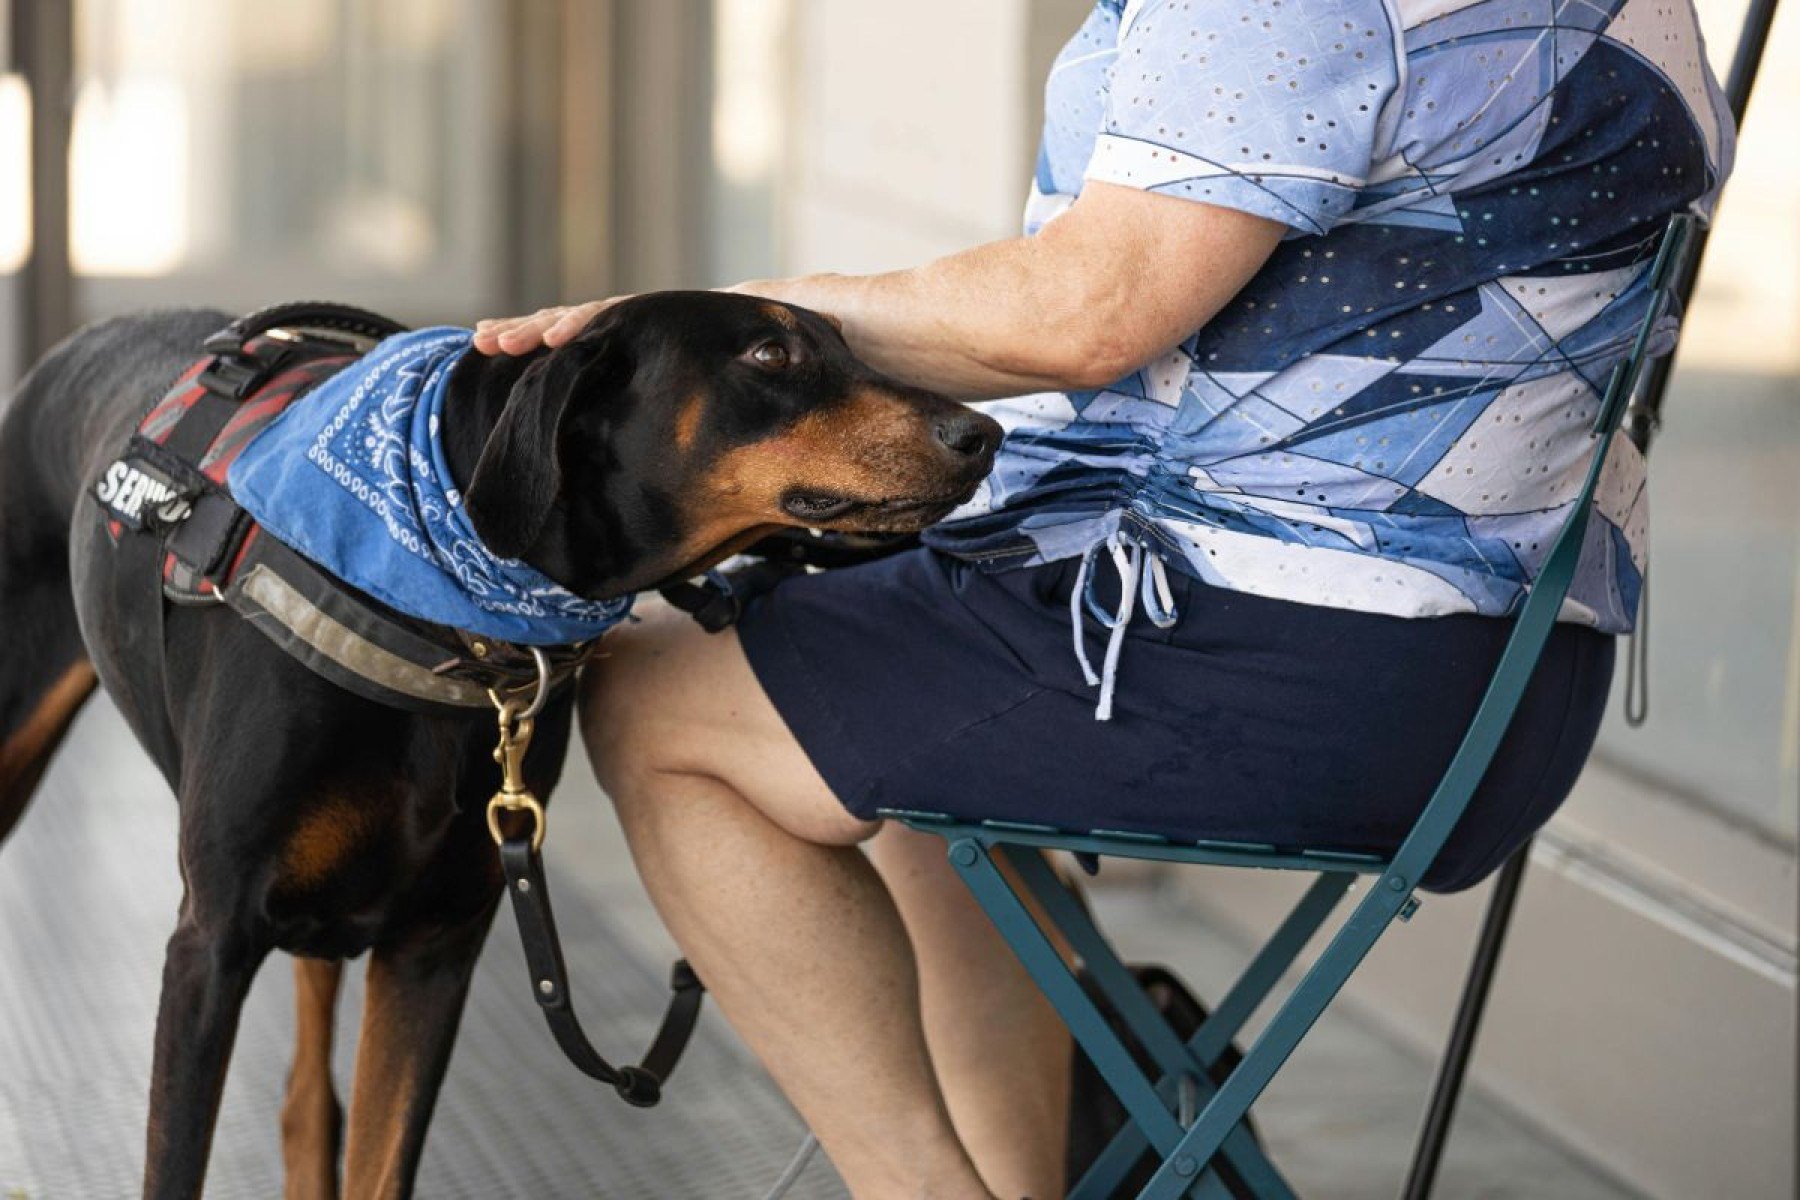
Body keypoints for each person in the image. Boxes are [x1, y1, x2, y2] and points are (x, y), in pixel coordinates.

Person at [476, 2, 1733, 1196]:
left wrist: (752, 324)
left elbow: (1090, 311)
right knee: (861, 713)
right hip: (1498, 686)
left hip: (1285, 657)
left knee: (659, 708)